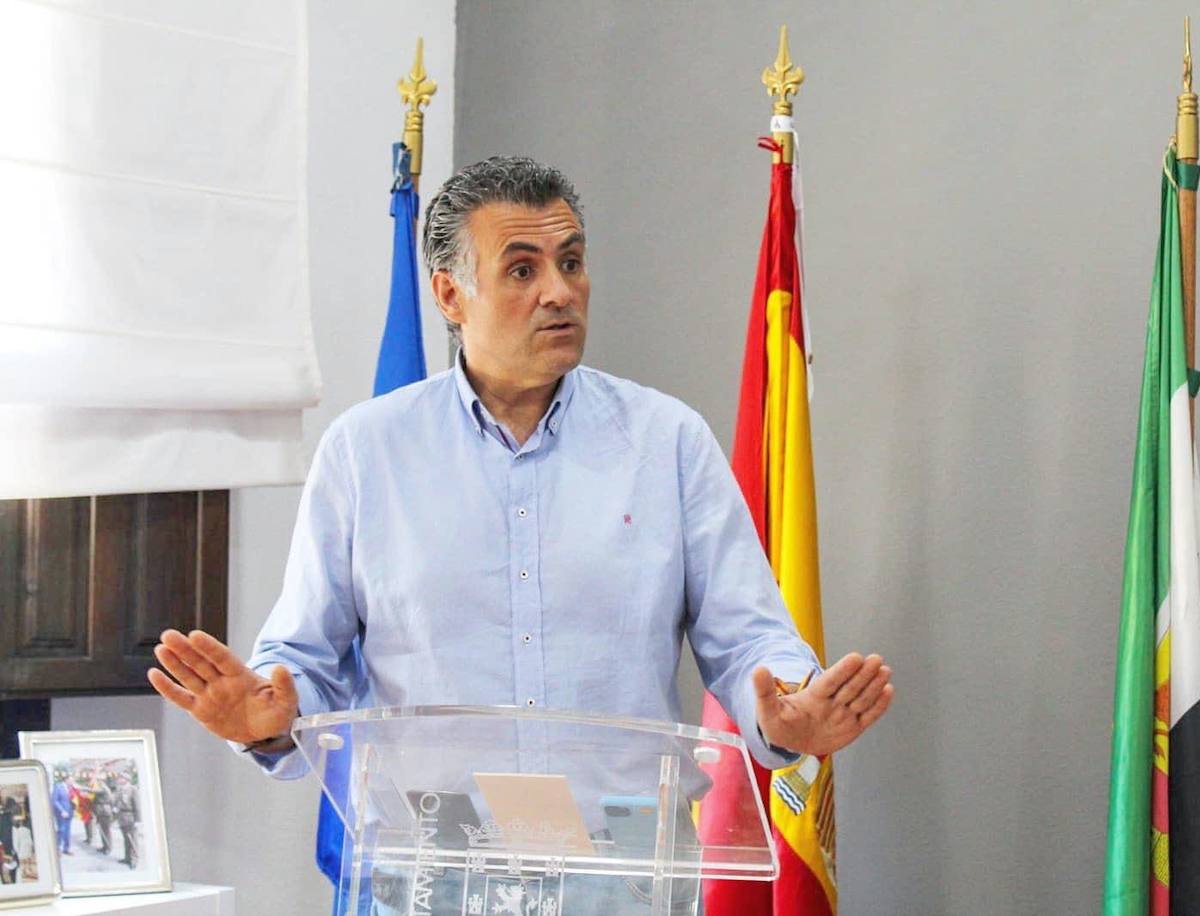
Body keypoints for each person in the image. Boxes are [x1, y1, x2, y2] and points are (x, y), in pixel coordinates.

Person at [148, 157, 894, 912]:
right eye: (522, 269)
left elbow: (750, 638)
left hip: (625, 877)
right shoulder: (366, 452)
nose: (559, 291)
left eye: (571, 262)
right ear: (450, 294)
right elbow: (302, 658)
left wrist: (790, 701)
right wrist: (267, 721)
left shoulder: (666, 441)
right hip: (431, 874)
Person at [113, 775, 139, 869]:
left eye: (121, 778)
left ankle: (134, 860)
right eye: (119, 778)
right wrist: (115, 809)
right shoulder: (120, 790)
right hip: (122, 817)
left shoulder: (133, 789)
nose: (119, 779)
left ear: (127, 779)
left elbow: (137, 805)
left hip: (130, 816)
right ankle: (127, 858)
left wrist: (138, 820)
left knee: (132, 840)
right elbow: (117, 802)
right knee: (126, 839)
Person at [49, 771, 73, 855]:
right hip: (61, 813)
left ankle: (66, 848)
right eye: (71, 780)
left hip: (69, 812)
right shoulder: (58, 787)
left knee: (68, 831)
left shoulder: (71, 788)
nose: (72, 782)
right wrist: (62, 810)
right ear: (66, 780)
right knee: (61, 830)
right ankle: (58, 848)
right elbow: (54, 800)